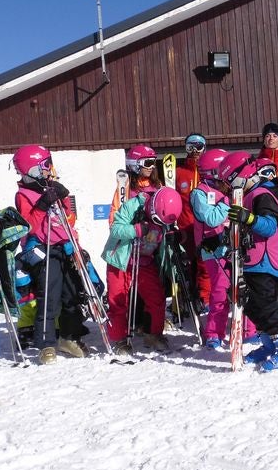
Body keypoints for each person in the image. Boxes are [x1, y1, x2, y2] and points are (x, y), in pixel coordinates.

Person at [221, 152, 278, 372]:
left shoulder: (262, 195)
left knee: (266, 306)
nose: (230, 187)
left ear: (242, 175)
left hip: (265, 260)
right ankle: (269, 345)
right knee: (251, 305)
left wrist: (248, 218)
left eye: (231, 181)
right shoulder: (248, 196)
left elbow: (269, 226)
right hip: (250, 261)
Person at [12, 145, 91, 364]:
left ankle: (69, 336)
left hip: (65, 246)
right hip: (43, 249)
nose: (50, 169)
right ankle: (46, 343)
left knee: (73, 294)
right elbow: (29, 226)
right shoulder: (24, 195)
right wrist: (43, 203)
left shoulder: (52, 188)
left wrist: (63, 201)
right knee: (50, 296)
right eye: (46, 165)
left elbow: (68, 221)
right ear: (33, 169)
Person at [103, 184, 182, 356]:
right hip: (122, 259)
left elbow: (166, 235)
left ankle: (152, 334)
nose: (157, 224)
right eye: (156, 221)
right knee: (118, 299)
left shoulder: (166, 211)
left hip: (145, 259)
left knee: (156, 297)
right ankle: (119, 339)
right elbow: (115, 228)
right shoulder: (134, 205)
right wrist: (135, 229)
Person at [190, 148, 257, 350]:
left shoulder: (230, 189)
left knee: (243, 286)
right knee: (220, 292)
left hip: (234, 244)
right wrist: (229, 201)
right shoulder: (200, 193)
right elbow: (210, 218)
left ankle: (249, 330)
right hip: (213, 249)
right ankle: (213, 333)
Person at [176, 133, 211, 310]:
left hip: (206, 226)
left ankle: (205, 298)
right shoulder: (179, 173)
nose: (195, 151)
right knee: (188, 263)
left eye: (199, 147)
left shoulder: (210, 171)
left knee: (205, 262)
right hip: (185, 227)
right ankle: (186, 297)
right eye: (191, 147)